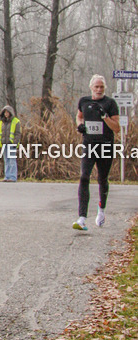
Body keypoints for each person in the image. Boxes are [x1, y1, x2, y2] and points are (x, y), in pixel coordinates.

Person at [73, 74, 120, 231]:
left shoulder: (110, 103)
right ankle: (82, 218)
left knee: (102, 179)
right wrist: (80, 125)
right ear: (91, 87)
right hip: (89, 145)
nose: (99, 89)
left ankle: (101, 210)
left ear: (105, 88)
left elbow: (117, 128)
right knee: (84, 177)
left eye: (102, 87)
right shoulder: (84, 101)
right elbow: (79, 117)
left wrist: (104, 116)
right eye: (96, 87)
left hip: (105, 145)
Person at [0, 105, 21, 181]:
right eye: (5, 112)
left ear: (10, 113)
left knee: (12, 160)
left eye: (7, 112)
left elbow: (17, 134)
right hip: (4, 144)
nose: (6, 114)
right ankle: (7, 176)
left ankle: (13, 177)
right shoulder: (2, 122)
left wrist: (15, 143)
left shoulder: (16, 121)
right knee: (6, 160)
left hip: (11, 144)